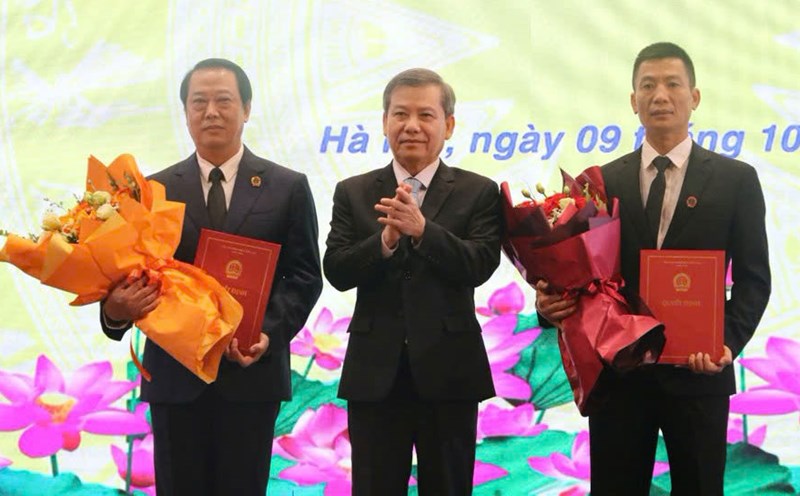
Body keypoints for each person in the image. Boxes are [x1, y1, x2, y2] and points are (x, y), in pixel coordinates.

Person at [537, 42, 771, 495]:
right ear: (633, 101)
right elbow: (581, 277)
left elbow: (754, 280)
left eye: (671, 84)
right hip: (621, 376)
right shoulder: (601, 181)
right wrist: (550, 301)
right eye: (648, 86)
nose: (659, 95)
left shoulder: (735, 180)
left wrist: (726, 343)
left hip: (699, 373)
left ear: (694, 97)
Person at [100, 58, 323, 496]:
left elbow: (303, 275)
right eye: (198, 102)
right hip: (175, 380)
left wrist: (269, 334)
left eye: (224, 101)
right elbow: (126, 274)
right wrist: (113, 311)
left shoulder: (287, 186)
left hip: (250, 373)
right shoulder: (152, 191)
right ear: (185, 113)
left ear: (247, 109)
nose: (211, 112)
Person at [324, 68, 502, 495]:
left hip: (450, 370)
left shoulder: (479, 191)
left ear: (449, 125)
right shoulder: (353, 191)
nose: (412, 126)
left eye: (426, 114)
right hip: (375, 372)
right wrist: (383, 242)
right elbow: (337, 270)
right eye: (400, 114)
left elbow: (480, 263)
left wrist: (423, 231)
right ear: (385, 121)